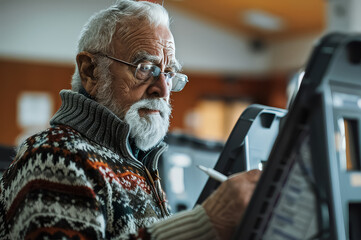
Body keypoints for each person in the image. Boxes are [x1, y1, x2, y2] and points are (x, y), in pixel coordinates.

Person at [0, 0, 261, 239]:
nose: (163, 89)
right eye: (145, 68)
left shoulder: (138, 160)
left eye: (169, 73)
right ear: (91, 72)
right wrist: (204, 224)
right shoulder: (55, 157)